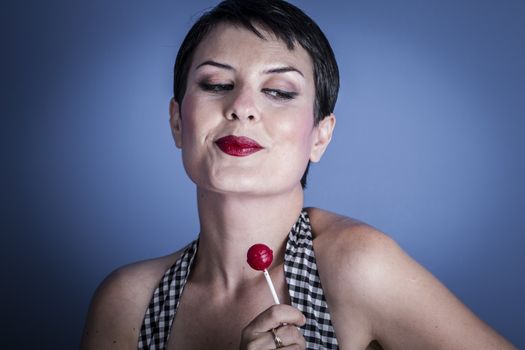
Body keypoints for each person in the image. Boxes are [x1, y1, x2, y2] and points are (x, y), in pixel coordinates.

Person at [80, 0, 517, 349]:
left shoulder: (357, 266)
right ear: (177, 122)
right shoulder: (127, 303)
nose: (243, 106)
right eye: (216, 85)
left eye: (278, 91)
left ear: (320, 137)